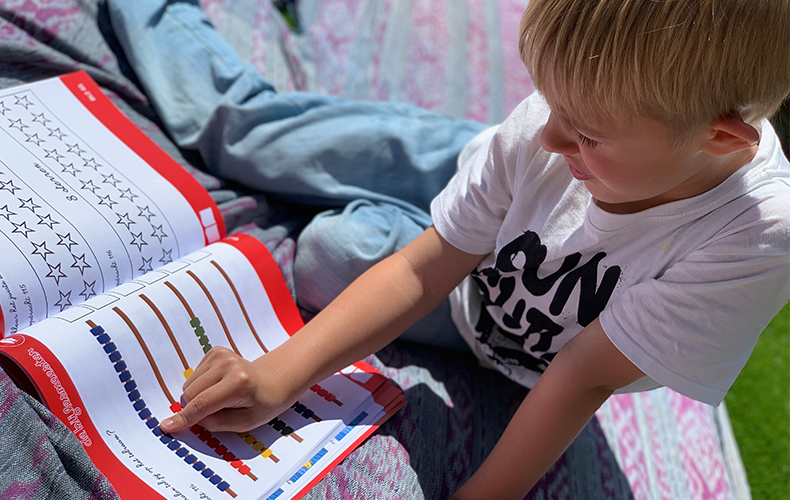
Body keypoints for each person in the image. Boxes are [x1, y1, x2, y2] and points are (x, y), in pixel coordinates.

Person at [107, 0, 790, 498]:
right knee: (244, 134)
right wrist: (278, 377)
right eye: (547, 101)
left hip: (499, 314)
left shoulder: (755, 238)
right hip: (466, 172)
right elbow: (429, 261)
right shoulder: (544, 136)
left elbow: (582, 373)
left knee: (333, 252)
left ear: (721, 139)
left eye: (584, 130)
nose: (548, 135)